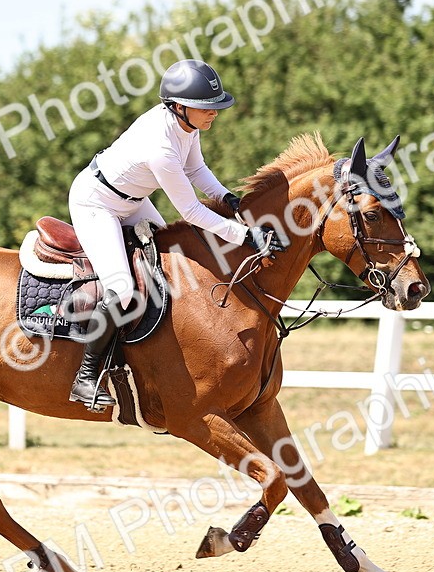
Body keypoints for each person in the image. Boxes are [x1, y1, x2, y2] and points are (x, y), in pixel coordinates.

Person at [66, 58, 279, 409]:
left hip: (132, 200)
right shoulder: (160, 149)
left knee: (169, 261)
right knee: (120, 289)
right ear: (179, 106)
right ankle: (86, 378)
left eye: (215, 106)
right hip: (97, 204)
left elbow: (196, 167)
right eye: (206, 107)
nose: (214, 113)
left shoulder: (186, 126)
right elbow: (192, 212)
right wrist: (245, 236)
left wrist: (226, 196)